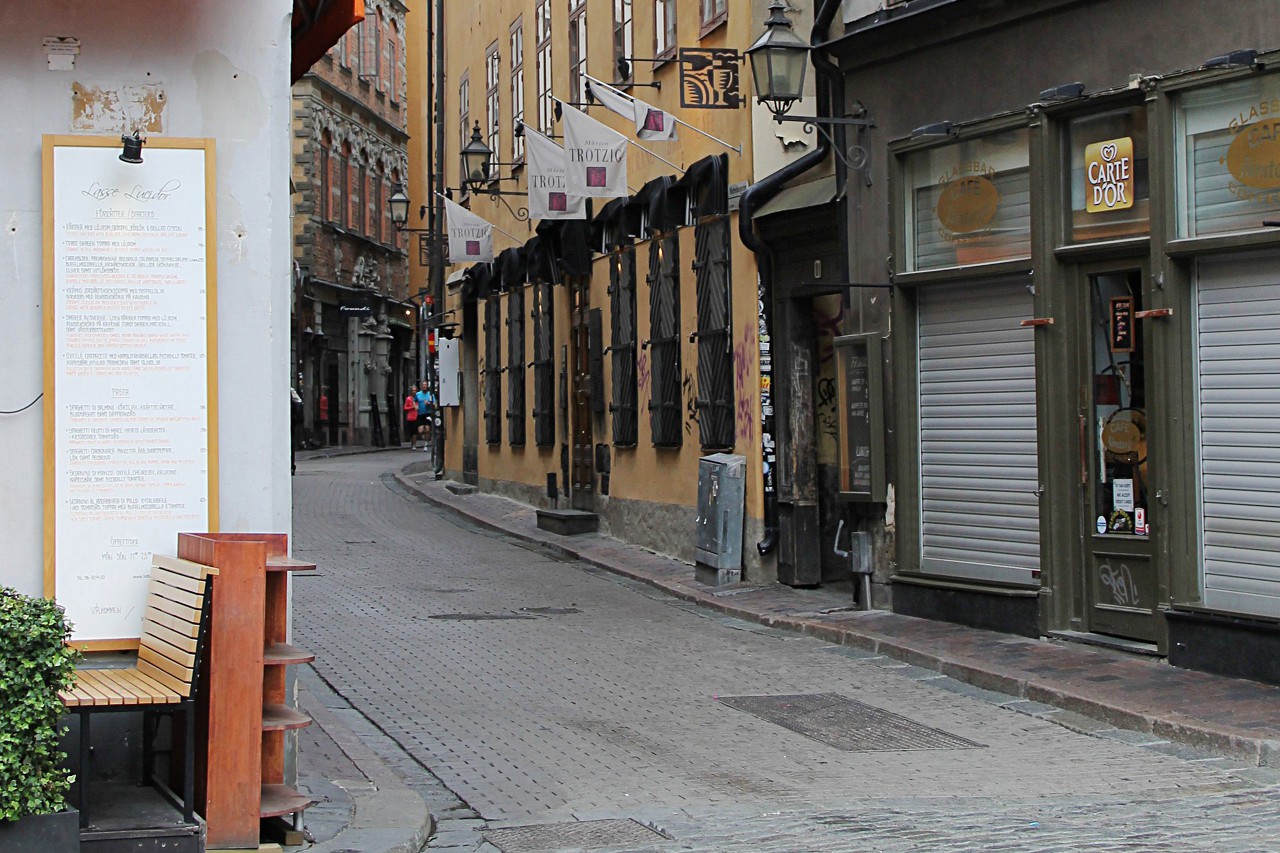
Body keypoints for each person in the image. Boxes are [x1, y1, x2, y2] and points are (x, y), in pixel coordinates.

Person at [414, 380, 436, 451]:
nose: (424, 386)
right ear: (421, 386)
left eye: (425, 385)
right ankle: (426, 434)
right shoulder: (418, 394)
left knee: (427, 429)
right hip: (420, 414)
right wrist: (415, 406)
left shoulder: (430, 395)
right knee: (420, 430)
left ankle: (426, 444)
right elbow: (414, 401)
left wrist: (429, 404)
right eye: (423, 385)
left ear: (427, 386)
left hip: (428, 414)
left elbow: (435, 404)